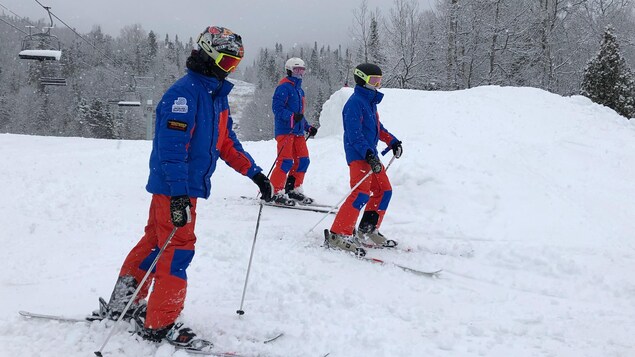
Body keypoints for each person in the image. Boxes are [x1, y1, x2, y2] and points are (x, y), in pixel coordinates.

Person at [92, 26, 274, 350]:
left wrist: (255, 174)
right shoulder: (184, 94)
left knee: (155, 243)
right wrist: (178, 195)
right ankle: (160, 324)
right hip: (175, 189)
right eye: (226, 61)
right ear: (208, 53)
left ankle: (124, 301)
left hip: (180, 189)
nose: (229, 68)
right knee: (177, 250)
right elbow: (171, 150)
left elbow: (226, 143)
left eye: (235, 64)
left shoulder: (215, 97)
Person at [324, 63, 403, 256]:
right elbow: (354, 134)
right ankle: (337, 234)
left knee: (384, 190)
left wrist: (392, 141)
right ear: (362, 80)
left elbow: (378, 129)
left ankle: (367, 229)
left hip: (371, 156)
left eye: (379, 81)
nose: (377, 85)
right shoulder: (354, 103)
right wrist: (368, 154)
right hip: (359, 156)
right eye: (373, 81)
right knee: (360, 193)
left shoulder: (369, 103)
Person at [270, 57, 318, 206]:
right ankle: (274, 191)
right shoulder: (284, 87)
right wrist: (291, 116)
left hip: (297, 132)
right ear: (289, 71)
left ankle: (293, 189)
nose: (299, 73)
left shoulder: (300, 90)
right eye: (296, 70)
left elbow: (299, 115)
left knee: (303, 160)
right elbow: (277, 109)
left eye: (302, 70)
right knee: (285, 161)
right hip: (285, 130)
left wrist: (307, 127)